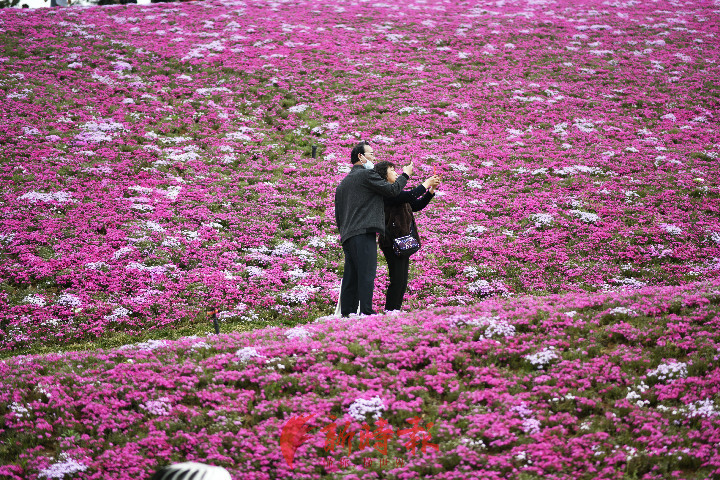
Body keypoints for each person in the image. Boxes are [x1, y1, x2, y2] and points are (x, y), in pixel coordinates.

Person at [334, 141, 414, 317]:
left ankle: (348, 313)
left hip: (348, 234)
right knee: (367, 272)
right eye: (370, 154)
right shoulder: (366, 175)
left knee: (351, 275)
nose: (373, 157)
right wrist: (405, 175)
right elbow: (392, 190)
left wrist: (344, 232)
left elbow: (338, 214)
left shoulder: (343, 184)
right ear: (361, 157)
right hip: (363, 232)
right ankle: (366, 312)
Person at [374, 160, 440, 312]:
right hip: (391, 242)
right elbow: (411, 195)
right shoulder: (386, 192)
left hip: (402, 241)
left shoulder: (396, 193)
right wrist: (426, 182)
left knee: (402, 280)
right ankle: (390, 312)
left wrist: (431, 190)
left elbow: (416, 205)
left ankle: (395, 311)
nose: (396, 173)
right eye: (392, 170)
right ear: (384, 175)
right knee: (397, 280)